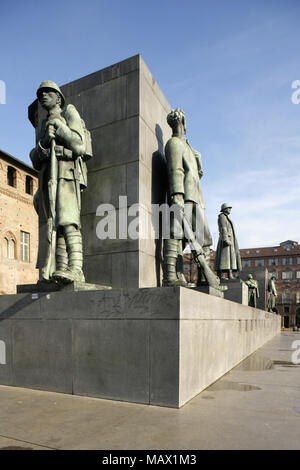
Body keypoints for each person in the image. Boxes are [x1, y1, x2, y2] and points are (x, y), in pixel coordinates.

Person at [30, 80, 92, 283]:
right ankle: (61, 269)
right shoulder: (41, 124)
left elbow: (80, 145)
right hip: (48, 178)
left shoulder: (69, 113)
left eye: (48, 92)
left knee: (68, 221)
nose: (43, 96)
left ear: (58, 97)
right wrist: (44, 143)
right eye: (40, 94)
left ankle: (77, 268)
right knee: (52, 224)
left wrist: (60, 128)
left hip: (66, 175)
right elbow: (33, 157)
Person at [162, 108, 216, 287]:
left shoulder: (190, 149)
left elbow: (194, 175)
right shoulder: (174, 143)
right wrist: (177, 194)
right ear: (183, 123)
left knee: (204, 240)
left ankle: (203, 278)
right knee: (176, 233)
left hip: (196, 198)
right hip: (185, 197)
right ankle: (171, 275)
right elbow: (176, 170)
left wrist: (198, 163)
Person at [214, 203, 242, 280]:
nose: (230, 209)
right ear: (224, 209)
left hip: (230, 240)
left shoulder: (227, 218)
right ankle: (221, 275)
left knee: (230, 258)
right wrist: (225, 239)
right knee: (224, 258)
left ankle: (230, 274)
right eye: (228, 208)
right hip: (225, 239)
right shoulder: (222, 217)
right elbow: (223, 228)